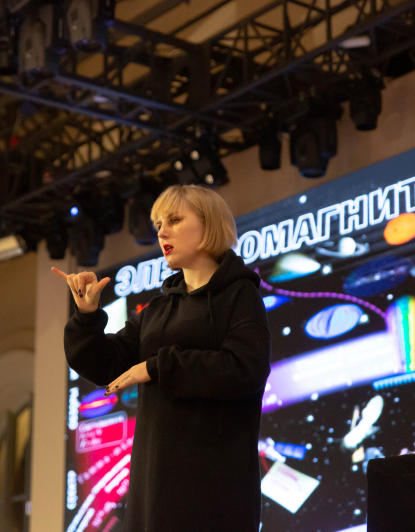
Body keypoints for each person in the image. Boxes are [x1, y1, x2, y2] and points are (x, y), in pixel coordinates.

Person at [53, 184, 272, 532]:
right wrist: (86, 315)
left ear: (208, 224)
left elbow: (245, 368)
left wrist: (158, 367)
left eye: (173, 219)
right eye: (158, 224)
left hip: (214, 492)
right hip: (153, 492)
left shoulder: (240, 295)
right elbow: (105, 364)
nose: (162, 232)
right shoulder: (157, 309)